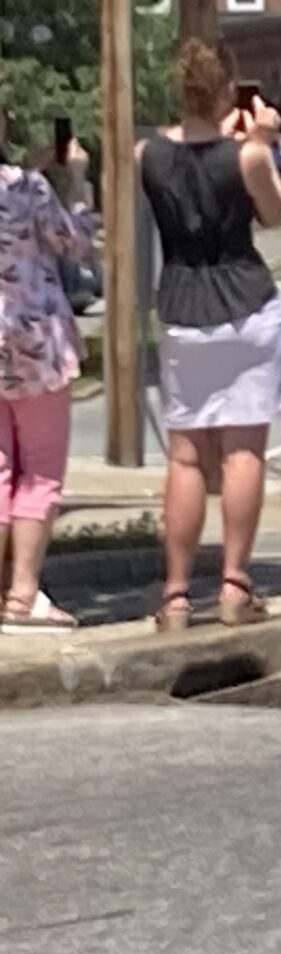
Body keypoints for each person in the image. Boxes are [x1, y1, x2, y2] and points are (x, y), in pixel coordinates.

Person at [138, 38, 281, 633]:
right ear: (229, 89)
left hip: (182, 305)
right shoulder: (246, 156)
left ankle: (175, 594)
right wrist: (265, 144)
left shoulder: (146, 155)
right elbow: (276, 215)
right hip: (245, 304)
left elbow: (178, 171)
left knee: (185, 455)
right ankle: (234, 584)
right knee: (242, 450)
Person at [0, 116, 98, 632]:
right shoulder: (26, 188)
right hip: (33, 342)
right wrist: (77, 181)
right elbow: (73, 242)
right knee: (38, 471)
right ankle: (22, 594)